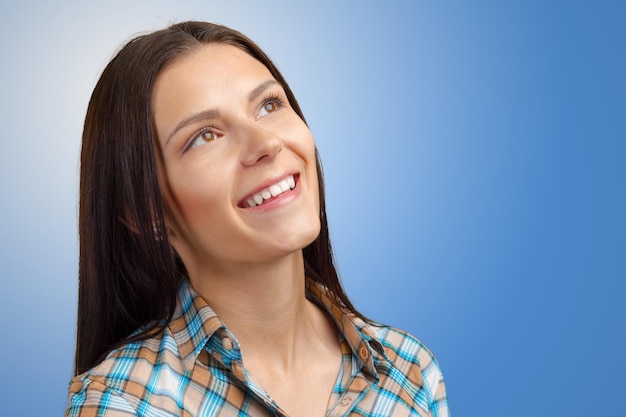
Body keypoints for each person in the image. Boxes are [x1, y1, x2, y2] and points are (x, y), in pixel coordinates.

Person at [65, 21, 450, 417]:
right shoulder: (123, 403)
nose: (266, 143)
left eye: (269, 105)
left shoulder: (410, 371)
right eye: (205, 135)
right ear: (147, 213)